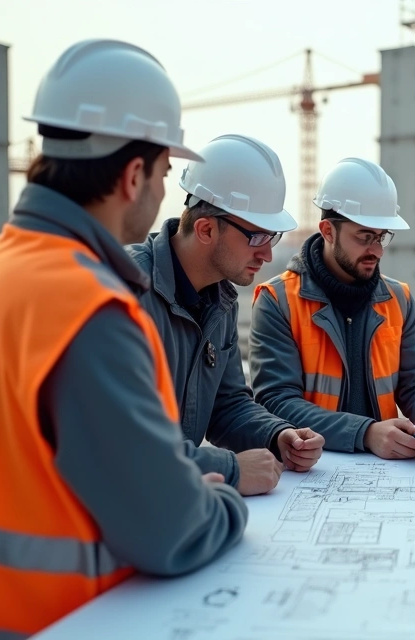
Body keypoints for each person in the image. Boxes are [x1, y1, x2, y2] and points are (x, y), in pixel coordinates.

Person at [0, 40, 248, 639]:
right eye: (163, 173)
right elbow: (171, 531)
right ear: (133, 176)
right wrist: (220, 501)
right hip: (59, 620)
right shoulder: (90, 305)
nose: (163, 192)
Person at [127, 133, 325, 496]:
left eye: (272, 238)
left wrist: (277, 434)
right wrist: (230, 469)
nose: (267, 255)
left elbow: (227, 404)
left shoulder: (221, 301)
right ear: (205, 229)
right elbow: (123, 446)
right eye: (256, 237)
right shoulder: (128, 294)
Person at [249, 158, 415, 460]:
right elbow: (276, 401)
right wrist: (365, 433)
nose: (376, 250)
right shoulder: (278, 300)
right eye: (364, 237)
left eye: (382, 237)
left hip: (385, 466)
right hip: (311, 467)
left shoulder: (398, 298)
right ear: (328, 231)